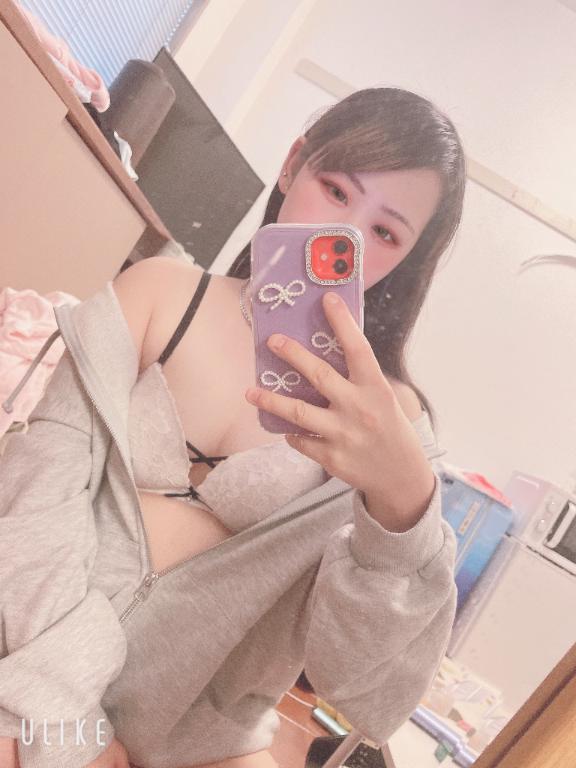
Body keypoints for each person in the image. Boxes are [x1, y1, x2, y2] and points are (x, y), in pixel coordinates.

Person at [0, 87, 465, 768]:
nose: (342, 239)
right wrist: (72, 727)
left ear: (409, 259)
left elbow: (372, 697)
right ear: (292, 164)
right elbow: (34, 499)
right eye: (336, 190)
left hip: (192, 746)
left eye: (386, 233)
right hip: (22, 662)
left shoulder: (387, 427)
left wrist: (403, 510)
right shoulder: (160, 292)